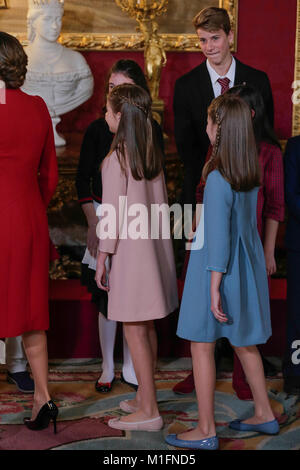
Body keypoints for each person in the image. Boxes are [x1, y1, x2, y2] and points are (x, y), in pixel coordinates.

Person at [166, 93, 279, 450]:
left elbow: (217, 239)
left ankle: (205, 429)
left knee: (201, 345)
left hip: (216, 270)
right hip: (245, 268)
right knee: (245, 344)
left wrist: (213, 287)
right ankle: (264, 412)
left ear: (220, 130)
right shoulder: (248, 173)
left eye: (210, 121)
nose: (205, 126)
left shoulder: (217, 178)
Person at [76, 59, 164, 393]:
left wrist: (106, 251)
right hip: (117, 225)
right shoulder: (102, 134)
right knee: (109, 301)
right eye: (111, 88)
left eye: (121, 89)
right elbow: (89, 187)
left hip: (129, 233)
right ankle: (109, 367)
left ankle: (134, 372)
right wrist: (94, 224)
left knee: (133, 310)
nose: (113, 96)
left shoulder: (128, 149)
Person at [95, 83, 178, 432]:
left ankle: (150, 411)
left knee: (134, 329)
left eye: (107, 111)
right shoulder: (150, 153)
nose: (104, 116)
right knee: (147, 326)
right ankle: (146, 397)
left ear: (119, 116)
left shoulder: (117, 160)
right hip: (155, 252)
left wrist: (102, 258)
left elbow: (111, 217)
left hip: (131, 255)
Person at [0, 32, 58, 432]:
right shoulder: (37, 106)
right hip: (28, 219)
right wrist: (29, 206)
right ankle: (44, 398)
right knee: (32, 314)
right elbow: (50, 177)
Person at [174, 6, 274, 208]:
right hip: (200, 190)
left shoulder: (258, 81)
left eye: (215, 38)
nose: (209, 46)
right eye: (203, 40)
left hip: (248, 187)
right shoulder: (185, 86)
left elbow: (264, 136)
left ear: (229, 36)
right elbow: (185, 147)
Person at [22, 0, 93, 146]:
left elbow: (86, 89)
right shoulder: (18, 60)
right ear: (33, 22)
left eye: (58, 19)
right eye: (48, 19)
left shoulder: (76, 60)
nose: (55, 26)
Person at [282, 136, 300, 395]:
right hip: (299, 243)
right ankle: (296, 373)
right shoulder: (295, 146)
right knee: (298, 312)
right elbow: (291, 193)